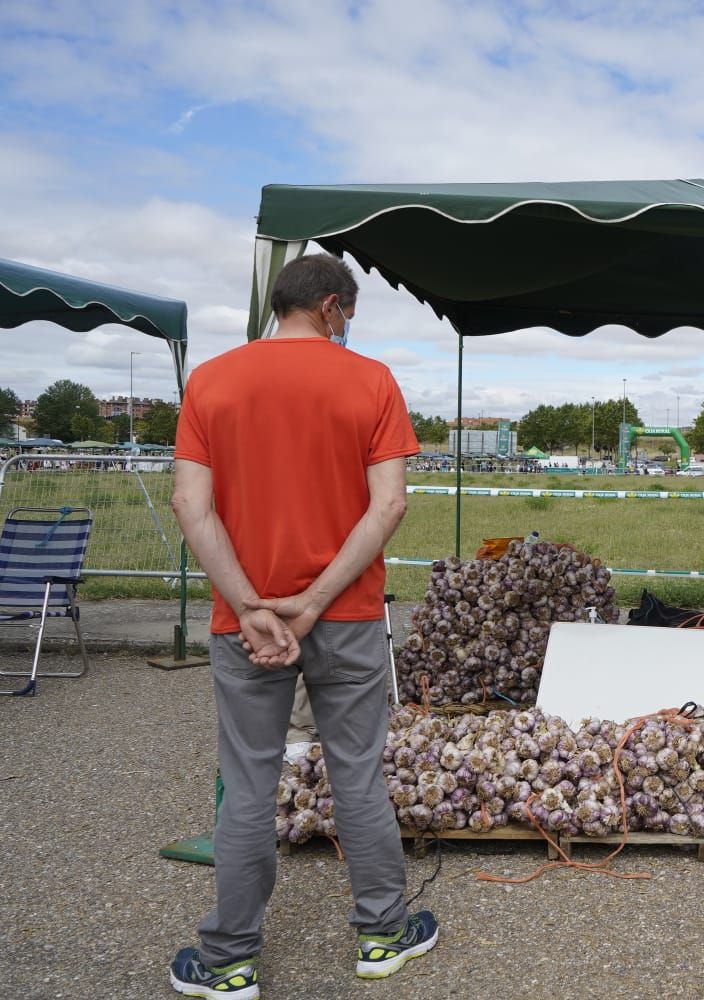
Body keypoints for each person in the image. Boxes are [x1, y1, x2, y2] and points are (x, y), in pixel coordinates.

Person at [169, 254, 435, 999]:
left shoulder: (213, 380)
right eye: (349, 314)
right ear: (329, 307)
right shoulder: (372, 381)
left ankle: (229, 962)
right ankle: (382, 936)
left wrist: (253, 605)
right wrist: (313, 601)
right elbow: (388, 505)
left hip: (241, 620)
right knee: (356, 772)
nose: (350, 326)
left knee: (250, 781)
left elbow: (192, 505)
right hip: (345, 614)